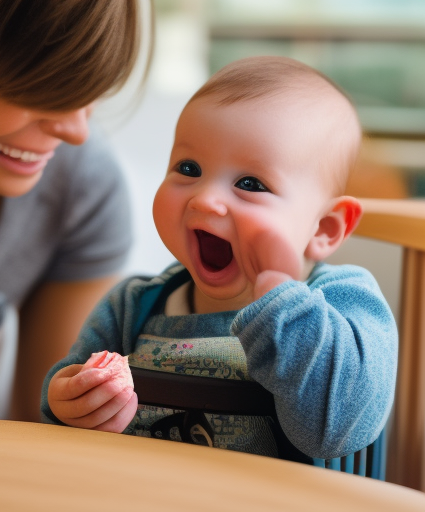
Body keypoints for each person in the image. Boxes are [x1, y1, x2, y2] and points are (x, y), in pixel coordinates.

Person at [41, 56, 398, 460]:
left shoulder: (345, 303)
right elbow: (63, 419)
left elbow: (335, 433)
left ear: (324, 229)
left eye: (250, 183)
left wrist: (282, 301)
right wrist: (69, 398)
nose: (206, 198)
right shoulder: (133, 306)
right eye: (189, 167)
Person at [0, 0, 153, 422]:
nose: (76, 130)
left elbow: (50, 428)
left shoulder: (81, 186)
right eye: (42, 88)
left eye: (87, 93)